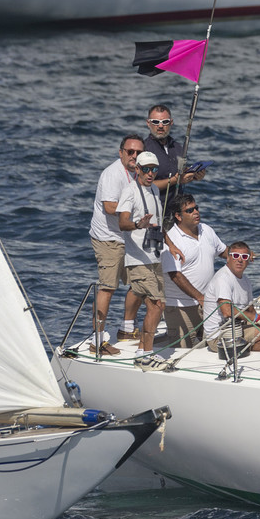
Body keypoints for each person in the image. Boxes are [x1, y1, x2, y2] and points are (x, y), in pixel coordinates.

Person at [87, 133, 146, 355]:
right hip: (109, 239)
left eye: (138, 152)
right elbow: (110, 207)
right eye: (130, 152)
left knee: (141, 282)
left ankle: (127, 329)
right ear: (121, 152)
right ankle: (97, 341)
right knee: (108, 288)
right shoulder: (113, 174)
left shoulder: (136, 172)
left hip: (128, 237)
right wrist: (135, 213)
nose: (134, 156)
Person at [117, 151, 166, 359]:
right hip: (138, 260)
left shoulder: (154, 189)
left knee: (152, 302)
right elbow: (122, 222)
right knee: (157, 304)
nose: (150, 174)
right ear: (137, 169)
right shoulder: (130, 192)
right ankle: (146, 353)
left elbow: (158, 224)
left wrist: (171, 246)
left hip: (154, 257)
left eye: (154, 170)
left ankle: (140, 348)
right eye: (146, 169)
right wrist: (138, 224)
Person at [160, 194, 226, 348]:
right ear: (178, 216)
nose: (196, 212)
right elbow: (175, 275)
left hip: (207, 303)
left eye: (196, 208)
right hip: (180, 307)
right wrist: (200, 297)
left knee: (214, 346)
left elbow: (222, 250)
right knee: (183, 351)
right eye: (190, 210)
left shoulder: (206, 230)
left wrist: (241, 255)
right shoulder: (172, 240)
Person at [203, 241, 260, 354]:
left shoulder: (245, 280)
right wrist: (258, 320)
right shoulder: (223, 279)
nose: (239, 259)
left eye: (244, 256)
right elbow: (227, 311)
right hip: (220, 335)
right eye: (235, 256)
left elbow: (251, 310)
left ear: (248, 260)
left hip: (239, 325)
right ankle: (256, 361)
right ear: (228, 258)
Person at [142, 104, 205, 211]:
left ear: (171, 122)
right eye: (156, 122)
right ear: (148, 123)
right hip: (153, 213)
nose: (160, 126)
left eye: (165, 122)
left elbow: (180, 176)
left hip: (177, 212)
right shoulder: (144, 150)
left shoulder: (178, 147)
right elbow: (145, 185)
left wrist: (195, 176)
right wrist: (176, 180)